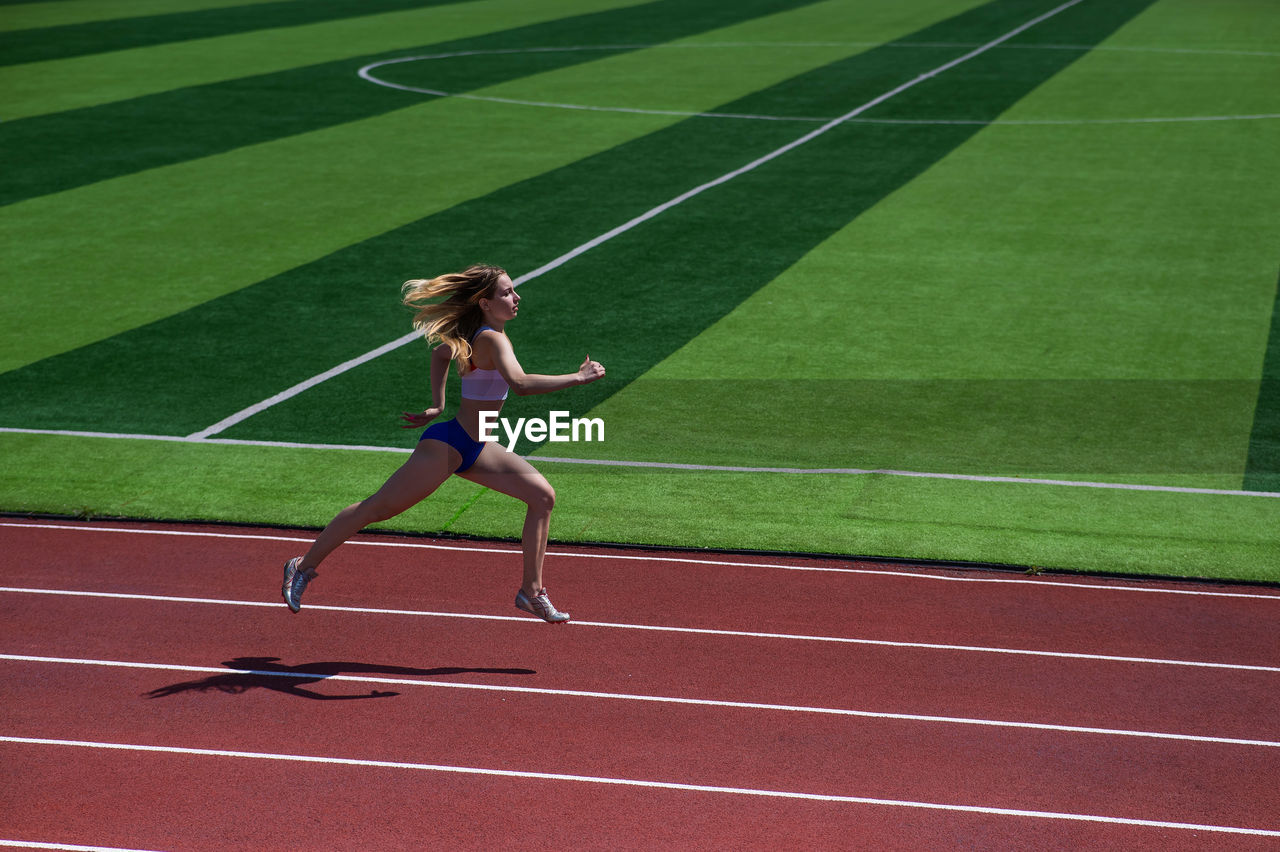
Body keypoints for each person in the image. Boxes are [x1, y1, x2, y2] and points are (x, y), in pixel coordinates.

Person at [281, 264, 605, 622]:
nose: (516, 297)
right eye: (507, 292)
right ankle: (302, 566)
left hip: (478, 446)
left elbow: (440, 354)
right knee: (376, 509)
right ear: (484, 302)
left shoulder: (479, 334)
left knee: (542, 496)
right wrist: (578, 377)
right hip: (448, 446)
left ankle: (531, 592)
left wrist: (438, 402)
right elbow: (521, 384)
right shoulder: (492, 339)